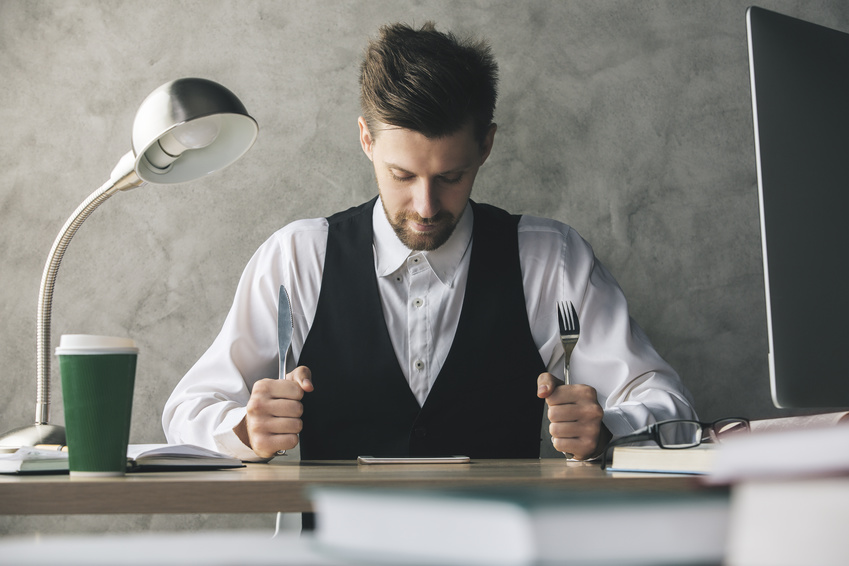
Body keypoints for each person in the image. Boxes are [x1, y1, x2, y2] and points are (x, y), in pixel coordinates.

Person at [162, 22, 697, 463]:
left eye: (450, 176)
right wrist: (243, 429)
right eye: (401, 175)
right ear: (366, 140)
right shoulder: (297, 259)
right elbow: (188, 409)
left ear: (485, 146)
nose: (425, 206)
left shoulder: (548, 260)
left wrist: (607, 429)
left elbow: (667, 404)